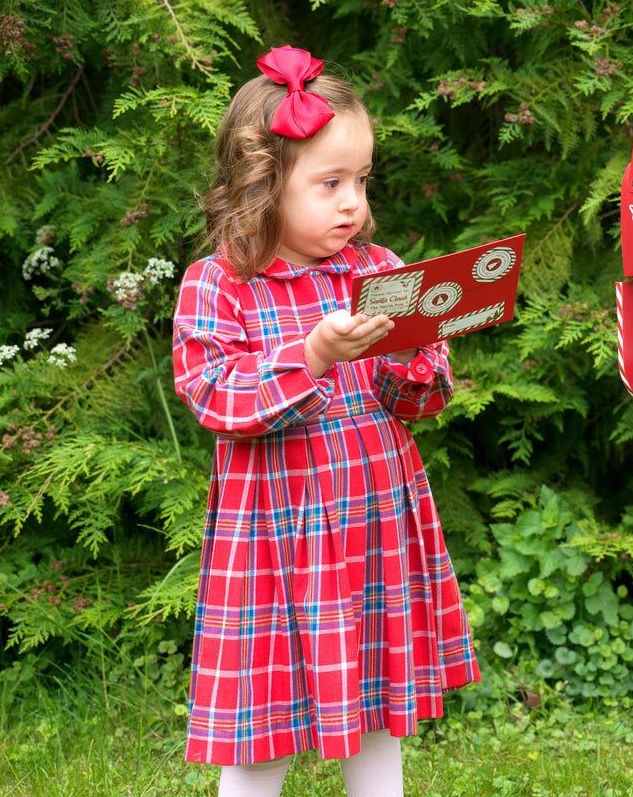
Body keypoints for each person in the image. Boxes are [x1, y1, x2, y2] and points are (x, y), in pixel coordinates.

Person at [172, 44, 480, 797]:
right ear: (261, 185)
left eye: (362, 181)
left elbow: (421, 399)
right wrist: (308, 356)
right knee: (261, 713)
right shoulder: (221, 284)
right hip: (276, 538)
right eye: (330, 183)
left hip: (373, 520)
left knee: (379, 696)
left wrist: (411, 358)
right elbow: (211, 391)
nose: (354, 203)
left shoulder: (377, 272)